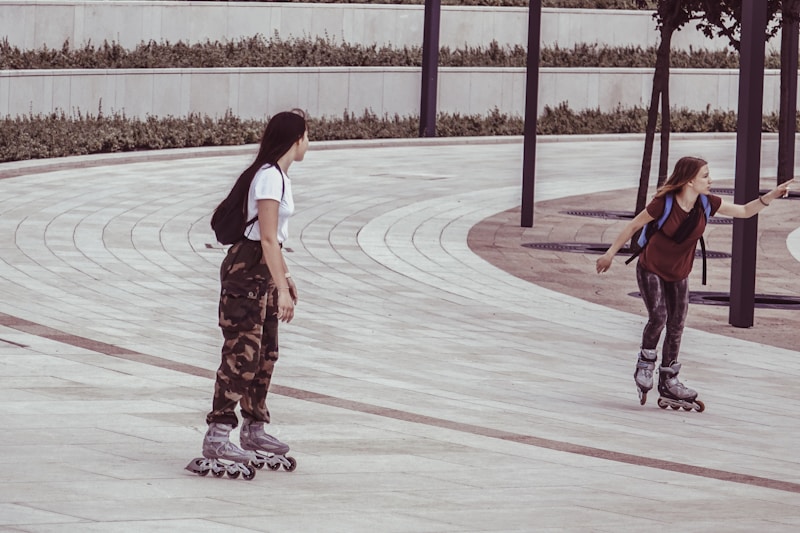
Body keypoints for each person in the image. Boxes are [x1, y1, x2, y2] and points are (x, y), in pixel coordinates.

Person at [595, 156, 792, 411]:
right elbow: (634, 225)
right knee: (659, 316)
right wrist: (610, 253)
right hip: (651, 268)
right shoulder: (663, 203)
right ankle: (645, 364)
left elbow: (743, 211)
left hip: (679, 273)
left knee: (677, 324)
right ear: (689, 180)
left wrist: (772, 195)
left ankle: (669, 379)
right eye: (705, 176)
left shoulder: (707, 204)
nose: (710, 180)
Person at [187, 109, 308, 478]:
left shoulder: (280, 176)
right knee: (242, 353)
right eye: (307, 136)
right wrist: (282, 288)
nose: (309, 143)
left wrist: (284, 277)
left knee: (266, 353)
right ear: (295, 138)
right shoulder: (270, 177)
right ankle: (218, 434)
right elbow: (267, 237)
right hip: (246, 273)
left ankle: (254, 429)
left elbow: (276, 241)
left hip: (262, 272)